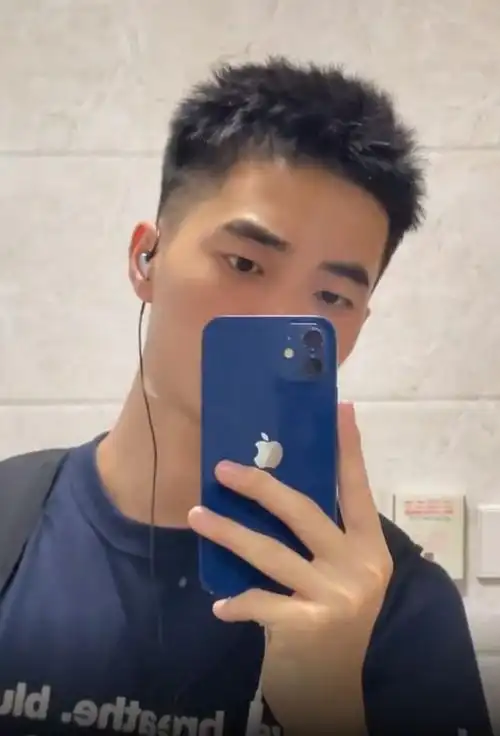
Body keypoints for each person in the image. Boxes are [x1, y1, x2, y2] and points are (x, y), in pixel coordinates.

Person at [0, 58, 492, 736]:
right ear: (147, 259)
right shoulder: (10, 521)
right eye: (244, 263)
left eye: (331, 296)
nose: (277, 320)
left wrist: (327, 711)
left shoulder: (400, 607)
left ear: (357, 326)